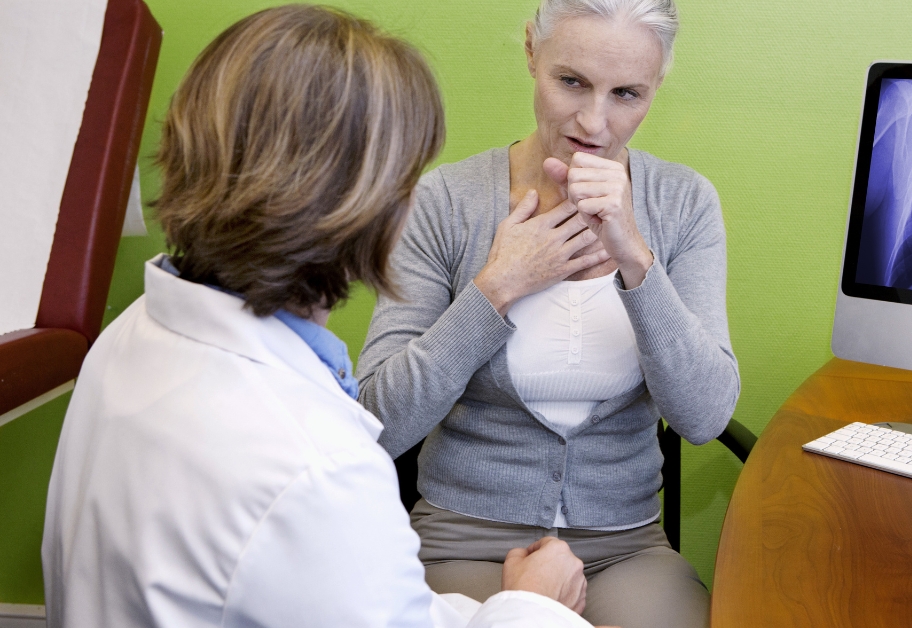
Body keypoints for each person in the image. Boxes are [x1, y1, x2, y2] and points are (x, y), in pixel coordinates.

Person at [41, 6, 606, 627]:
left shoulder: (126, 340)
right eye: (405, 177)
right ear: (357, 205)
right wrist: (532, 607)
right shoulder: (315, 469)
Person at [356, 1, 740, 626]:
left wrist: (636, 260)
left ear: (656, 87)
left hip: (624, 546)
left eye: (626, 94)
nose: (594, 121)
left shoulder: (684, 203)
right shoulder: (443, 202)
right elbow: (377, 420)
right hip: (464, 537)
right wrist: (496, 288)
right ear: (532, 51)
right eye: (571, 82)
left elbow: (705, 416)